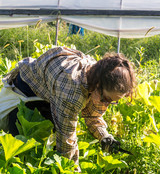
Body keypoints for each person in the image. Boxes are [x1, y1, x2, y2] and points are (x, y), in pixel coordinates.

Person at [0, 46, 136, 166]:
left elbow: (92, 114)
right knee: (19, 152)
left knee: (48, 146)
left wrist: (104, 136)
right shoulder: (72, 92)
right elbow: (66, 140)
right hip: (25, 93)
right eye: (106, 99)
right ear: (97, 85)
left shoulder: (98, 74)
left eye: (113, 101)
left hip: (50, 94)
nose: (106, 104)